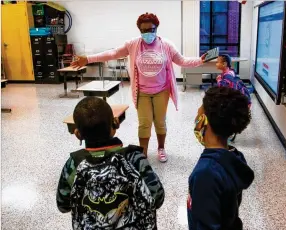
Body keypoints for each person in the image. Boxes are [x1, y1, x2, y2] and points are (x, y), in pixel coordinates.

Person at [71, 12, 207, 162]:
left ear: (156, 28)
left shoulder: (166, 45)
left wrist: (199, 60)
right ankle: (143, 152)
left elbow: (182, 60)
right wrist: (88, 59)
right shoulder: (133, 44)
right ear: (139, 30)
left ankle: (161, 148)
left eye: (152, 29)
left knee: (160, 122)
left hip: (161, 90)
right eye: (144, 30)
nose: (148, 33)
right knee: (144, 123)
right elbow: (113, 53)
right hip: (142, 91)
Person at [56, 97, 164, 230]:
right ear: (114, 125)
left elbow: (63, 205)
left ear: (78, 134)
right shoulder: (134, 159)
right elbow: (158, 198)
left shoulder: (74, 164)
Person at [187, 87, 254, 230]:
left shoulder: (206, 174)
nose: (196, 119)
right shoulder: (234, 156)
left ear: (204, 121)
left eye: (199, 114)